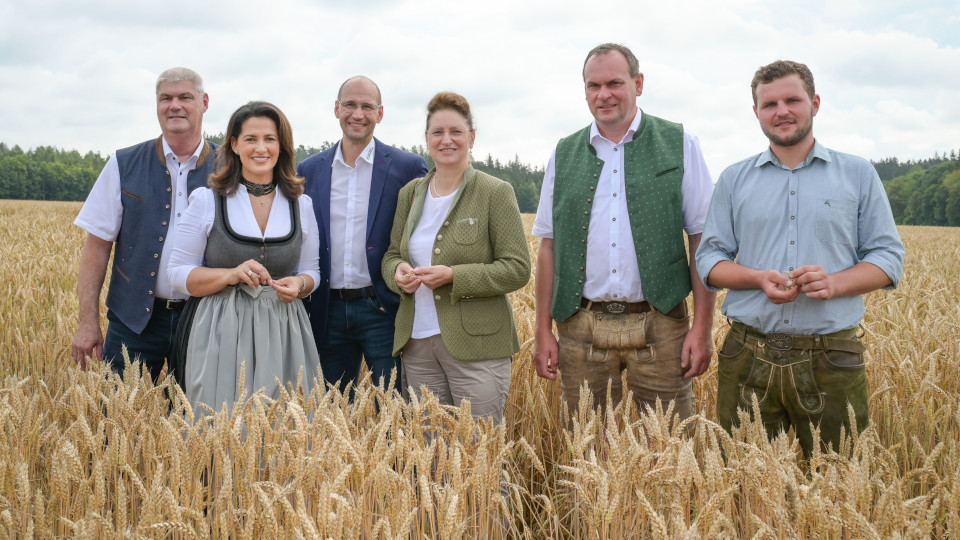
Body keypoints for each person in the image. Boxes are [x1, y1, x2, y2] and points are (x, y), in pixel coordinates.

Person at [695, 60, 905, 456]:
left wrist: (835, 283)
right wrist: (757, 279)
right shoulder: (734, 178)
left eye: (793, 99)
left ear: (815, 103)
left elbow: (888, 256)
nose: (782, 111)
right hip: (747, 352)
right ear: (756, 111)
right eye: (770, 103)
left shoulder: (858, 174)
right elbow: (709, 258)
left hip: (832, 357)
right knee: (742, 485)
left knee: (842, 481)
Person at [532, 43, 717, 423]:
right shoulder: (563, 153)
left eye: (615, 83)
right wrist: (542, 330)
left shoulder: (680, 143)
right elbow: (547, 247)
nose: (604, 95)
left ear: (639, 83)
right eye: (593, 85)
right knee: (588, 452)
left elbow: (702, 240)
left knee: (669, 445)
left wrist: (702, 328)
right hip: (580, 326)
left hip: (662, 324)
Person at [382, 92, 530, 424]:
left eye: (456, 132)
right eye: (437, 132)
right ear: (426, 139)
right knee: (433, 453)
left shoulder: (495, 192)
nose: (446, 140)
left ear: (471, 138)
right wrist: (399, 272)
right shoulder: (410, 193)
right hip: (417, 343)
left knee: (480, 452)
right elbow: (392, 255)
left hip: (477, 347)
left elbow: (518, 269)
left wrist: (454, 276)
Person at [167, 101, 322, 411]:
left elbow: (312, 271)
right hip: (219, 329)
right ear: (235, 145)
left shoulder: (300, 204)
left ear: (282, 146)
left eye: (270, 139)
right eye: (251, 139)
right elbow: (176, 273)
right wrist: (230, 274)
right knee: (218, 421)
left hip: (283, 331)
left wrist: (300, 284)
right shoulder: (207, 201)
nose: (260, 148)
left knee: (284, 427)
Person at [70, 67, 217, 381]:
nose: (174, 105)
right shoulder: (124, 163)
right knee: (118, 421)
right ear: (157, 105)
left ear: (204, 102)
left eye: (184, 97)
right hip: (133, 323)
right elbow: (97, 247)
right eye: (165, 98)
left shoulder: (230, 167)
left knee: (202, 424)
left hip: (206, 320)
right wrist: (87, 322)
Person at [297, 76, 428, 395]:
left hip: (383, 308)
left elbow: (426, 230)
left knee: (397, 411)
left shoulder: (407, 167)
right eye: (350, 105)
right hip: (327, 311)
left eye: (367, 107)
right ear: (337, 109)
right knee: (329, 413)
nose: (358, 114)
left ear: (380, 114)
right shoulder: (309, 169)